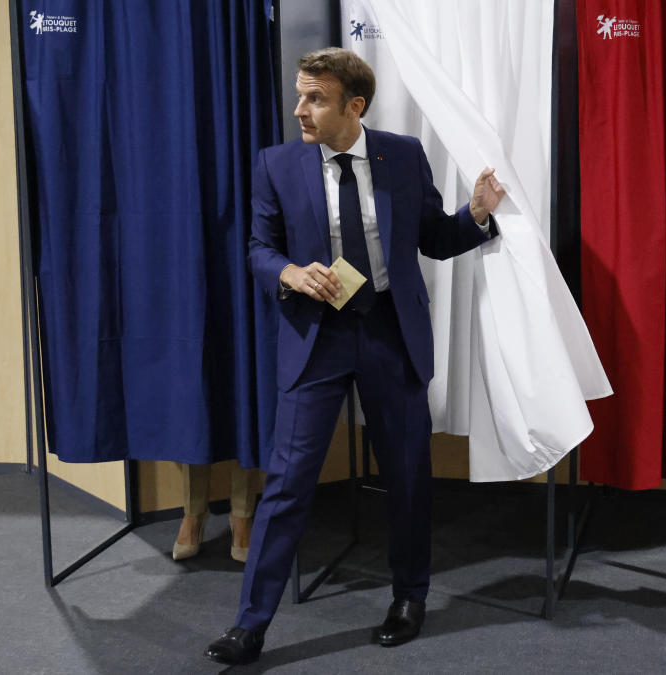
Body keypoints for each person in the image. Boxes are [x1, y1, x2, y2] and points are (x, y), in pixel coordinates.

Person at [204, 47, 504, 665]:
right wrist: (288, 270)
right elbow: (259, 248)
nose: (300, 110)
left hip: (391, 334)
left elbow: (434, 239)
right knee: (287, 482)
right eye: (299, 95)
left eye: (314, 98)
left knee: (407, 476)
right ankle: (250, 624)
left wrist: (474, 216)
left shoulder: (403, 155)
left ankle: (409, 598)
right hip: (317, 338)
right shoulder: (277, 164)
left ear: (354, 105)